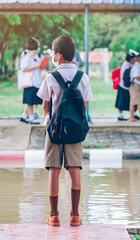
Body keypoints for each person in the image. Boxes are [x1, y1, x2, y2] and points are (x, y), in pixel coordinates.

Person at [37, 35, 93, 227]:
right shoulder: (83, 77)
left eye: (53, 54)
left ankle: (54, 216)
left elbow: (45, 104)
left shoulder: (51, 76)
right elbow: (84, 105)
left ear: (58, 56)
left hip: (54, 130)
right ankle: (75, 215)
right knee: (75, 169)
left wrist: (48, 120)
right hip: (75, 130)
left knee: (54, 170)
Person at [19, 38, 43, 124]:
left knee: (32, 100)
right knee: (30, 101)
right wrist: (36, 66)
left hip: (36, 81)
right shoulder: (27, 56)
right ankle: (31, 118)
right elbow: (23, 68)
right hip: (29, 82)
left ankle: (24, 116)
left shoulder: (37, 56)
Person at [115, 52, 139, 121]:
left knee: (133, 100)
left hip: (131, 86)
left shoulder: (133, 64)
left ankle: (134, 113)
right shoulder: (126, 65)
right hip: (123, 85)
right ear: (129, 59)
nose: (134, 60)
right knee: (121, 101)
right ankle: (120, 115)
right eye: (133, 59)